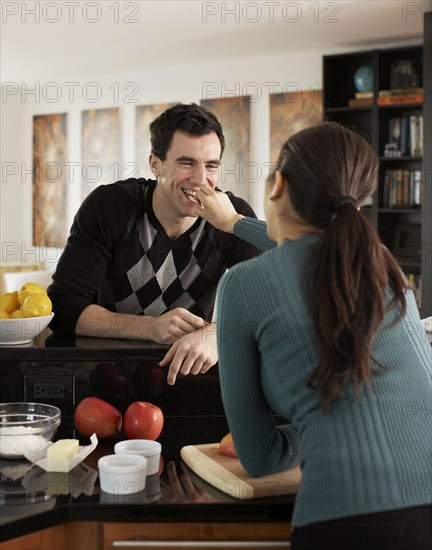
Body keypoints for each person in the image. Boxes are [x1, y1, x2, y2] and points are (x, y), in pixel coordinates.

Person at [189, 122, 432, 550]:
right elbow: (312, 247)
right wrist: (235, 223)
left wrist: (319, 422)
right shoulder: (386, 273)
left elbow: (259, 457)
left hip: (346, 522)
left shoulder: (242, 285)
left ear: (278, 184)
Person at [48, 103, 261, 384]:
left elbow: (265, 306)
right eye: (186, 162)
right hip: (108, 377)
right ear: (155, 164)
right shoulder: (110, 207)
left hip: (193, 379)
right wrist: (150, 328)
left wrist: (217, 334)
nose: (200, 180)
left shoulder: (234, 217)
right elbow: (62, 308)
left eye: (210, 166)